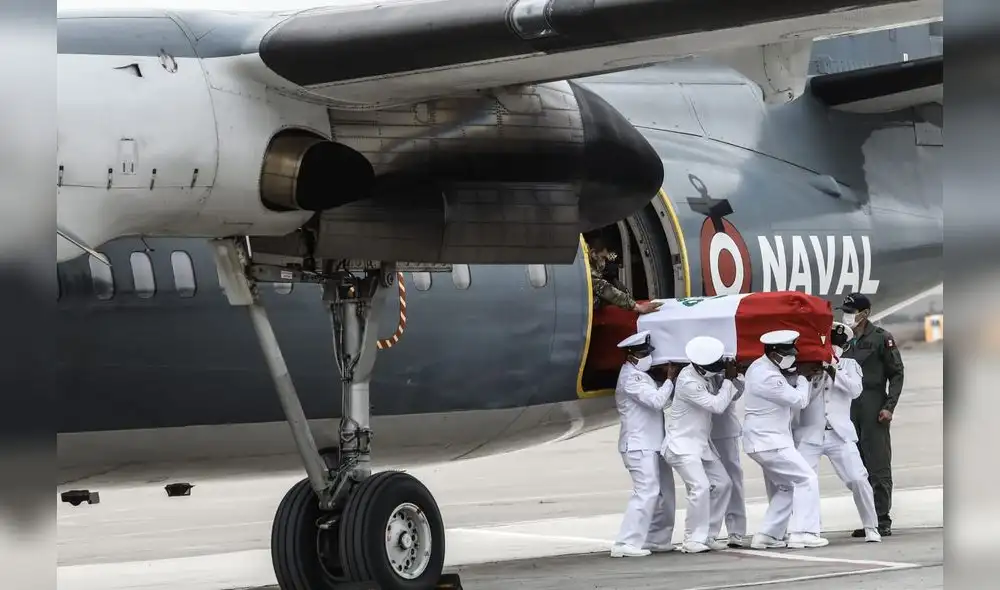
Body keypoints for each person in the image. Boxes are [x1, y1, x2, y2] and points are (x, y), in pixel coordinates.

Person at [793, 322, 882, 543]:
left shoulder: (849, 365)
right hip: (810, 433)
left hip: (839, 434)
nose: (835, 346)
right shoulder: (806, 366)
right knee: (804, 482)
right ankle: (809, 530)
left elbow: (855, 390)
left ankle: (871, 526)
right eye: (831, 342)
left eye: (839, 343)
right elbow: (800, 401)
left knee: (858, 479)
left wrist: (832, 369)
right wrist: (813, 373)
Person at [743, 330, 827, 550]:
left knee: (785, 487)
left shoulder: (760, 367)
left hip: (763, 441)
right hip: (770, 442)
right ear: (773, 353)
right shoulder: (767, 376)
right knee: (807, 478)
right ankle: (804, 533)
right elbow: (799, 400)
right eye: (787, 352)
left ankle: (767, 535)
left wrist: (794, 375)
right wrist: (803, 377)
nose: (792, 356)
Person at [662, 336, 741, 553]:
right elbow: (716, 406)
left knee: (723, 484)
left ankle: (708, 535)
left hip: (700, 446)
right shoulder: (689, 381)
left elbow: (733, 394)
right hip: (682, 446)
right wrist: (728, 380)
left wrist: (735, 376)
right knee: (701, 487)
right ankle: (692, 540)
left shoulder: (703, 372)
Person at [838, 293, 905, 537]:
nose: (846, 315)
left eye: (850, 311)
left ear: (864, 313)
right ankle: (869, 519)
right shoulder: (842, 340)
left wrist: (889, 406)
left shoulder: (881, 339)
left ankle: (881, 518)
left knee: (877, 463)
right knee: (858, 465)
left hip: (873, 404)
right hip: (847, 407)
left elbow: (896, 373)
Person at [610, 330, 680, 558]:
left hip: (653, 444)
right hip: (638, 445)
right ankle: (625, 542)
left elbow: (664, 398)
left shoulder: (644, 375)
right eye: (643, 354)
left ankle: (657, 539)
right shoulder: (631, 378)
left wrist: (669, 381)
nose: (647, 358)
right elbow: (658, 401)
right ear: (631, 356)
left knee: (665, 493)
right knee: (646, 492)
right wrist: (669, 379)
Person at [710, 365, 749, 548]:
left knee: (732, 480)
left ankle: (736, 531)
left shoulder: (727, 372)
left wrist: (730, 376)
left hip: (724, 431)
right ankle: (705, 533)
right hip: (696, 433)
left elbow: (735, 393)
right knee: (704, 485)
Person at [587, 236, 661, 314]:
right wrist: (637, 307)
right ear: (593, 254)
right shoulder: (587, 271)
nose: (604, 262)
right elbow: (606, 290)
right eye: (603, 257)